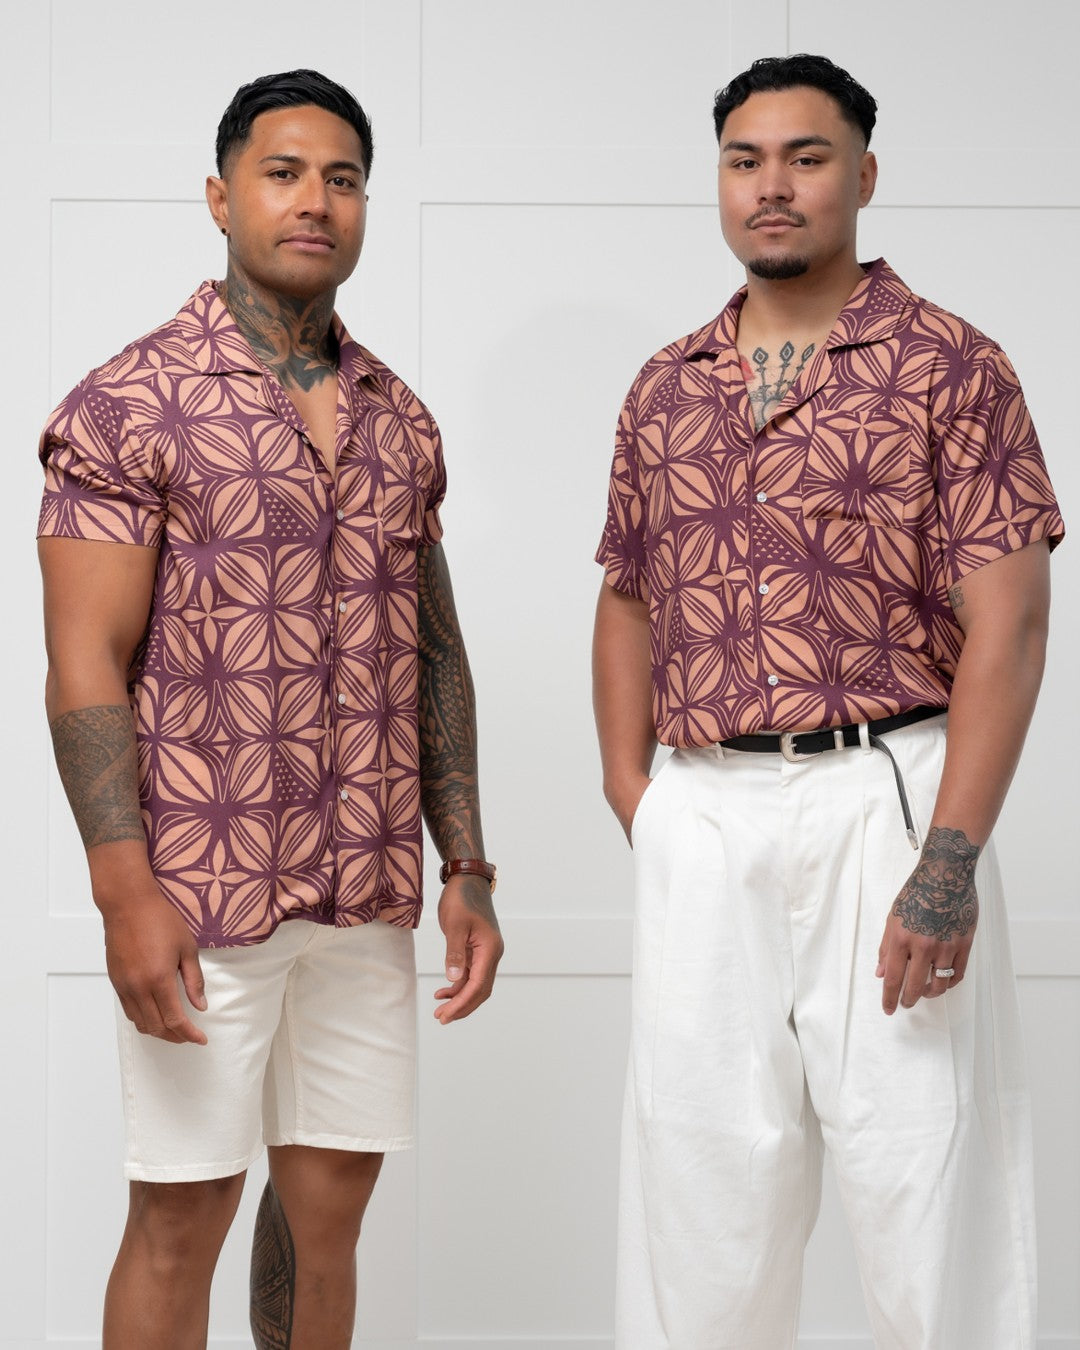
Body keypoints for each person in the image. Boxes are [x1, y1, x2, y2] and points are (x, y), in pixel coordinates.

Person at [592, 53, 1064, 1350]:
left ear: (864, 173)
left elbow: (1010, 624)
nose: (773, 185)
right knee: (700, 1191)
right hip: (701, 809)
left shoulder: (952, 366)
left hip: (886, 799)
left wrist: (948, 857)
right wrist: (642, 800)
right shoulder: (666, 384)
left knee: (925, 1179)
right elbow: (627, 592)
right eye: (745, 160)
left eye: (805, 156)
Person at [38, 68, 502, 1350]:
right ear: (220, 195)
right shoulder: (127, 403)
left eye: (343, 178)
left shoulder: (399, 418)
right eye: (284, 173)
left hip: (363, 888)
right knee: (181, 1216)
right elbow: (83, 663)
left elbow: (435, 648)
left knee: (330, 1219)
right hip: (203, 890)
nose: (316, 201)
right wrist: (124, 890)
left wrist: (465, 860)